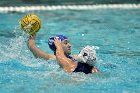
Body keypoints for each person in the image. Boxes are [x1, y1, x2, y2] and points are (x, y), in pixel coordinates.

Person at [28, 34, 99, 74]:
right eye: (66, 43)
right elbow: (32, 47)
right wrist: (33, 34)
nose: (69, 45)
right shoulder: (50, 58)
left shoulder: (74, 58)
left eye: (69, 42)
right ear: (57, 45)